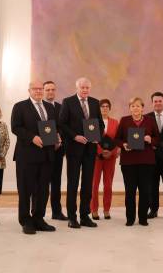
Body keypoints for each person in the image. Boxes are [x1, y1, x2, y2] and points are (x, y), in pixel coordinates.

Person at [11, 81, 60, 234]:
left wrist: (57, 137)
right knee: (26, 189)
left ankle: (39, 218)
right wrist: (32, 137)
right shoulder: (20, 106)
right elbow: (16, 127)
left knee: (43, 190)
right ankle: (26, 221)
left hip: (47, 155)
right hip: (27, 155)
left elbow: (54, 127)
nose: (38, 91)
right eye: (35, 89)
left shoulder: (50, 107)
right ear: (29, 90)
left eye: (40, 89)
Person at [59, 77, 105, 228]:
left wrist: (97, 136)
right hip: (73, 149)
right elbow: (62, 124)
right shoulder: (68, 101)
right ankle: (72, 217)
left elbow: (100, 123)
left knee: (87, 183)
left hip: (90, 150)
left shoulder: (94, 102)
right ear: (77, 88)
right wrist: (75, 136)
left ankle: (85, 215)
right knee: (73, 183)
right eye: (82, 87)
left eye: (87, 88)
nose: (85, 90)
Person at [115, 97, 159, 226]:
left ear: (142, 108)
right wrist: (123, 144)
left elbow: (157, 139)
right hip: (128, 162)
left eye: (138, 106)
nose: (135, 108)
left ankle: (143, 218)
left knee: (145, 191)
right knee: (130, 191)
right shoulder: (124, 120)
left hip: (146, 161)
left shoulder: (150, 121)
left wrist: (150, 139)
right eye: (133, 106)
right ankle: (130, 218)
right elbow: (117, 139)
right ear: (130, 108)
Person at [91, 99, 119, 220]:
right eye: (102, 106)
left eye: (107, 106)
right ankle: (94, 209)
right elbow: (92, 138)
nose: (104, 108)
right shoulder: (93, 122)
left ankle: (107, 209)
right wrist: (101, 151)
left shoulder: (115, 122)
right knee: (94, 185)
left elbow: (118, 139)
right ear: (99, 108)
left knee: (108, 185)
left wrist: (111, 152)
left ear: (110, 108)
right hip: (96, 157)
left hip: (110, 158)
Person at [43, 81, 67, 221]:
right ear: (44, 91)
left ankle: (57, 212)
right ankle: (37, 211)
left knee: (56, 182)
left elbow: (64, 126)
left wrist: (60, 140)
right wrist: (52, 141)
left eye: (53, 89)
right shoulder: (40, 106)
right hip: (44, 151)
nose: (50, 92)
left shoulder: (61, 107)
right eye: (48, 90)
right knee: (42, 182)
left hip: (58, 150)